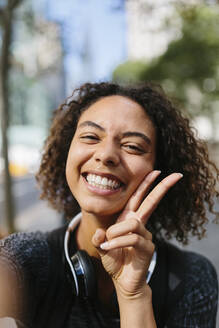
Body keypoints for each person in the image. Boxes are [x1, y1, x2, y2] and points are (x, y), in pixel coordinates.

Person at [0, 82, 218, 328]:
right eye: (91, 137)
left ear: (160, 168)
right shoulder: (25, 256)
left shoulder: (192, 277)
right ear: (66, 150)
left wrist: (134, 297)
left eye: (133, 146)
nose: (106, 155)